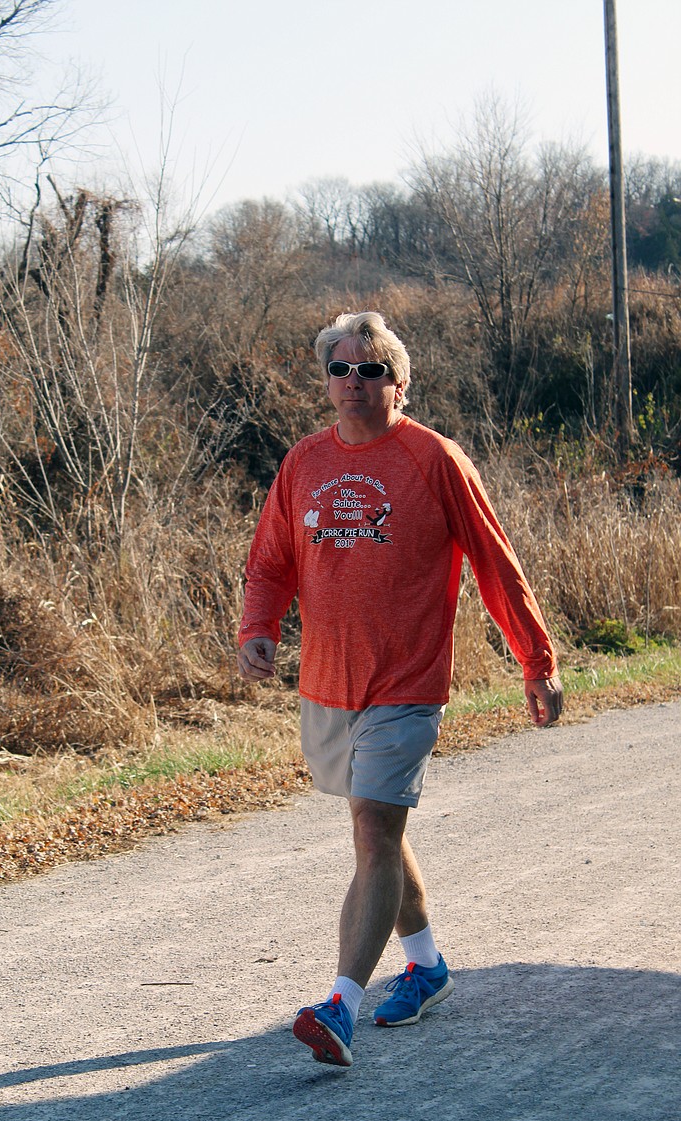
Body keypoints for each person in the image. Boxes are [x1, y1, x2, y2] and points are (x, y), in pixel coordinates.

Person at [236, 311, 563, 1068]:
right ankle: (428, 966)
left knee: (375, 830)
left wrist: (536, 659)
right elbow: (273, 557)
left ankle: (339, 1007)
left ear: (400, 383)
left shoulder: (434, 459)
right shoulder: (304, 463)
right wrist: (259, 626)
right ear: (326, 384)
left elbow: (494, 561)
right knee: (376, 832)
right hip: (326, 682)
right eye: (342, 369)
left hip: (407, 682)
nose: (355, 381)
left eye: (372, 368)